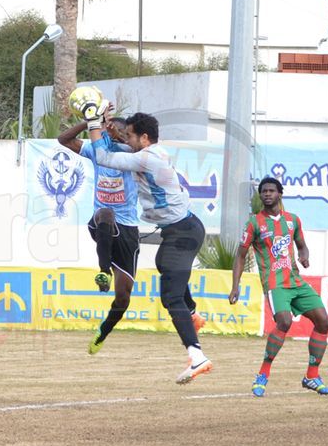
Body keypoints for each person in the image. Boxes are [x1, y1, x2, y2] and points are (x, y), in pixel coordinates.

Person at [79, 105, 212, 384]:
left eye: (130, 135)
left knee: (170, 298)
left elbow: (104, 156)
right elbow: (119, 146)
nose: (126, 139)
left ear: (144, 138)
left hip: (184, 233)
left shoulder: (147, 158)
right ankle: (193, 314)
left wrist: (93, 122)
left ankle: (197, 356)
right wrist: (110, 128)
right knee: (164, 264)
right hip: (181, 229)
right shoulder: (149, 152)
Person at [229, 177, 328, 396]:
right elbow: (240, 255)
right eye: (264, 191)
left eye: (271, 190)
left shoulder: (293, 220)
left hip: (296, 281)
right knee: (284, 322)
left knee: (324, 322)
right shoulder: (254, 223)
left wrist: (304, 256)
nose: (267, 194)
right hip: (275, 284)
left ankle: (312, 376)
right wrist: (235, 286)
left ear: (279, 194)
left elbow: (302, 246)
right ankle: (263, 374)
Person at [56, 116, 141, 355]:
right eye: (107, 128)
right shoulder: (97, 150)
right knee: (105, 213)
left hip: (128, 229)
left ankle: (103, 332)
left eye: (120, 131)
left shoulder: (131, 154)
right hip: (102, 223)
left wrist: (119, 137)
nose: (110, 132)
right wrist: (90, 120)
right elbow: (64, 139)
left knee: (123, 297)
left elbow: (140, 150)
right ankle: (104, 271)